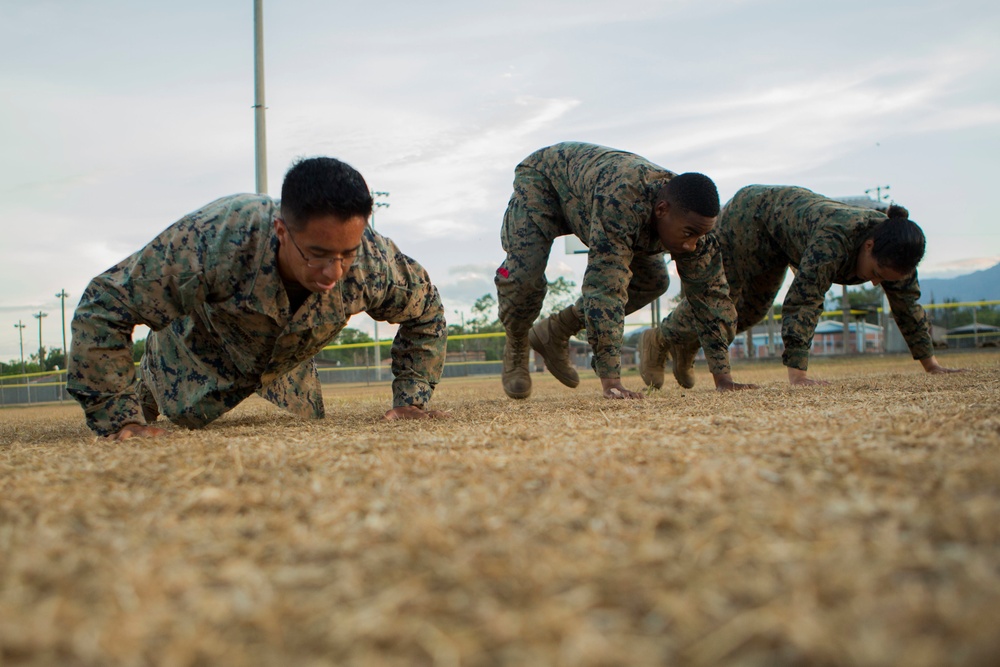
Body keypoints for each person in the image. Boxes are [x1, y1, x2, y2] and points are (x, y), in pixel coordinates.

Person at [68, 157, 448, 440]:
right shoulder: (215, 239)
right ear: (282, 230)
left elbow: (426, 311)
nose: (334, 272)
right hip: (186, 358)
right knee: (147, 413)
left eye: (346, 254)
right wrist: (122, 421)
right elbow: (104, 303)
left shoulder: (373, 261)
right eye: (316, 254)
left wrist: (410, 400)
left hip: (283, 368)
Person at [495, 141, 755, 400]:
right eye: (688, 235)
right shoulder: (622, 199)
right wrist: (612, 382)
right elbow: (605, 287)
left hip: (600, 200)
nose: (691, 245)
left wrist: (723, 378)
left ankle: (557, 330)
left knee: (652, 281)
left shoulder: (693, 224)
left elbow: (712, 297)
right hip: (546, 181)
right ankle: (518, 344)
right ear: (662, 210)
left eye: (699, 236)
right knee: (522, 276)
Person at [643, 185, 962, 388]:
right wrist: (799, 374)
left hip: (783, 241)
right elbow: (804, 301)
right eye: (876, 273)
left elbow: (908, 306)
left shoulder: (899, 250)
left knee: (750, 314)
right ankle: (659, 339)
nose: (877, 283)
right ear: (867, 245)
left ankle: (686, 344)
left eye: (885, 280)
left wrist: (930, 364)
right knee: (724, 305)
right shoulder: (833, 240)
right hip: (751, 218)